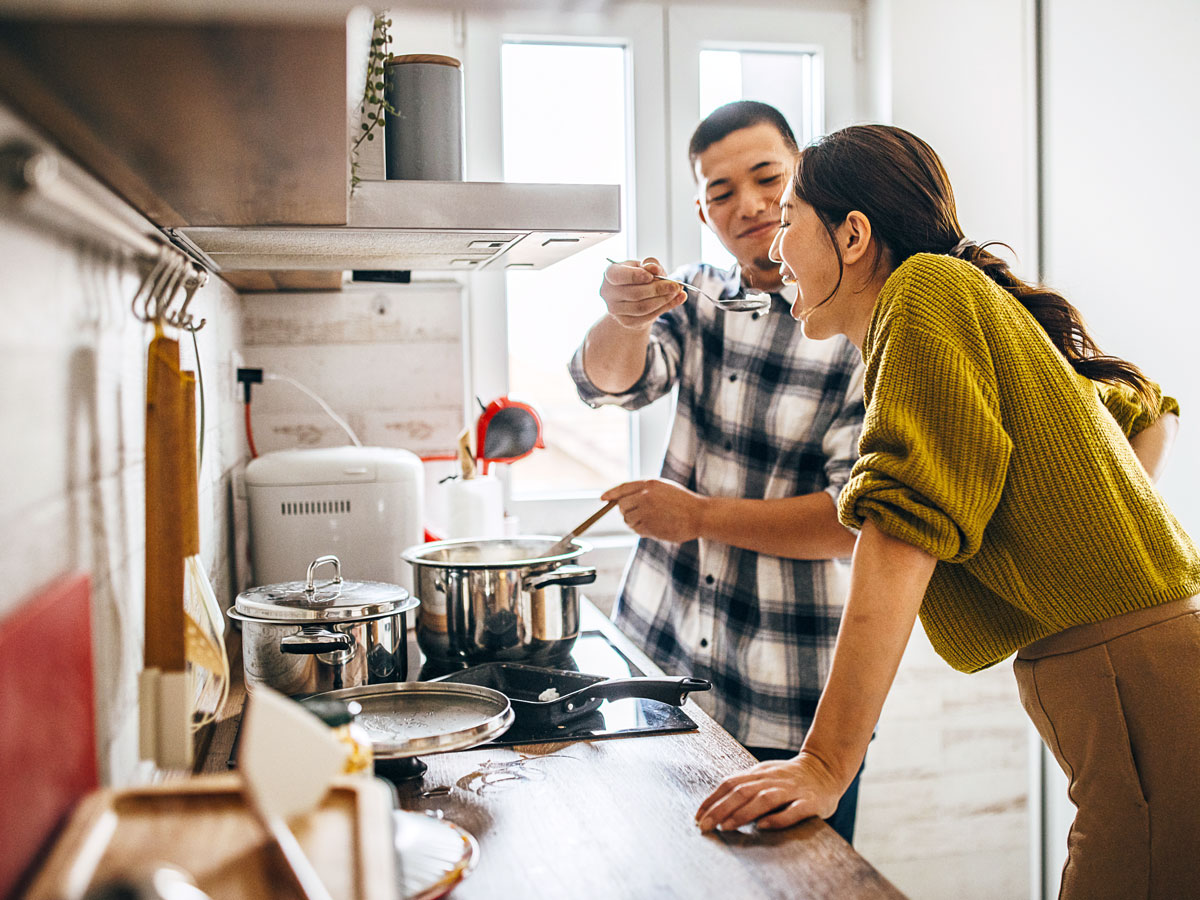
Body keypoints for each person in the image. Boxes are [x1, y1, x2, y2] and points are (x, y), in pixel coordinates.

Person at [694, 123, 1200, 900]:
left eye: (790, 217)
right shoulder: (957, 299)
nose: (774, 245)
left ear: (854, 235)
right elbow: (1143, 411)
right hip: (1140, 671)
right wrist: (1083, 533)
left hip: (1133, 680)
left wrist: (827, 763)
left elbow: (898, 537)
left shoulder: (926, 293)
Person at [567, 101, 867, 843]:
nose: (751, 205)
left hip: (789, 696)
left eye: (767, 178)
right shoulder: (696, 298)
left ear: (805, 180)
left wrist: (697, 516)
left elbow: (846, 523)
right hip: (659, 666)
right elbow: (607, 383)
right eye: (721, 192)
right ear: (703, 213)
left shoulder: (859, 328)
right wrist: (626, 317)